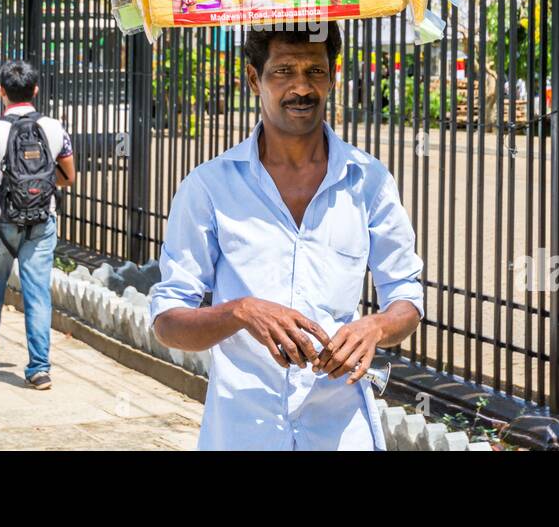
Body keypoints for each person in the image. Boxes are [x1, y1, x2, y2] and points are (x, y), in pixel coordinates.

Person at [149, 23, 424, 450]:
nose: (301, 87)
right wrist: (239, 312)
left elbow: (406, 296)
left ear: (333, 77)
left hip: (341, 431)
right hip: (242, 432)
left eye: (315, 71)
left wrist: (376, 326)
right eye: (283, 71)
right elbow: (167, 322)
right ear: (254, 78)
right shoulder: (208, 187)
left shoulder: (368, 181)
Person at [0, 59, 76, 390]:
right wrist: (36, 184)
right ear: (35, 90)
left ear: (1, 92)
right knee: (38, 294)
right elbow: (68, 177)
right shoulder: (55, 128)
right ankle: (39, 369)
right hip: (41, 221)